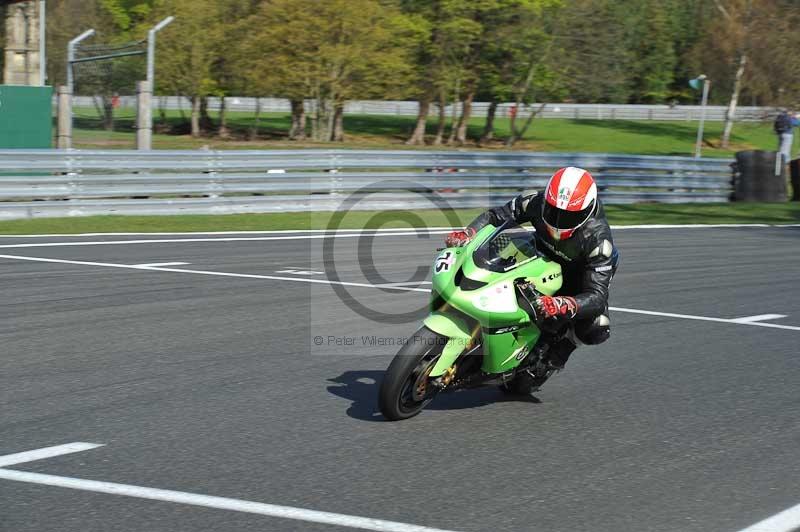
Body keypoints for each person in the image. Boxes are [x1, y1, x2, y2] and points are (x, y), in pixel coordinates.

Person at [444, 167, 619, 370]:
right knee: (496, 252)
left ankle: (563, 350)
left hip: (575, 274)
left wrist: (564, 303)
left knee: (596, 326)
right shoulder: (534, 201)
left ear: (587, 211)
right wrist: (469, 232)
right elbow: (496, 216)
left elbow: (597, 296)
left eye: (568, 216)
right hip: (539, 249)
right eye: (553, 211)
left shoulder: (598, 241)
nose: (558, 221)